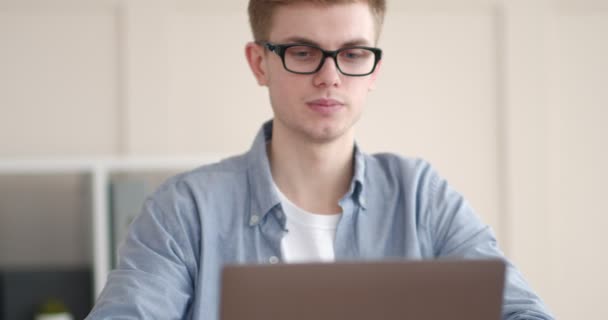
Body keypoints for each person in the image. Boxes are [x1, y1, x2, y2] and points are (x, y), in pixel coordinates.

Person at [86, 0, 554, 319]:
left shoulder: (422, 197)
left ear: (373, 69)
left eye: (352, 54)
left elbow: (524, 313)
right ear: (259, 63)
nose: (329, 77)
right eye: (302, 52)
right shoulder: (184, 209)